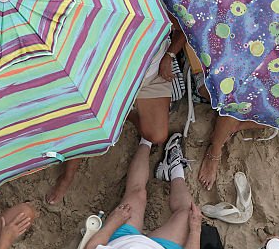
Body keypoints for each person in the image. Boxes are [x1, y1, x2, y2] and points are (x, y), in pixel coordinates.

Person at [44, 18, 185, 205]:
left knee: (157, 135)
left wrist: (170, 55)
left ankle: (123, 114)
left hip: (153, 72)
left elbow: (186, 25)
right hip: (112, 73)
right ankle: (67, 176)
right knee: (89, 118)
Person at [83, 134, 202, 249]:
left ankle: (146, 140)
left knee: (137, 193)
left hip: (121, 241)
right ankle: (175, 170)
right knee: (188, 213)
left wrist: (114, 220)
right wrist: (195, 230)